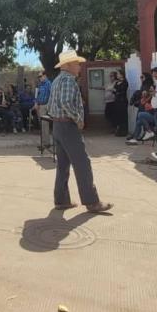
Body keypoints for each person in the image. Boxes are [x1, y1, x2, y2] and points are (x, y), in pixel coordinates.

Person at [47, 50, 112, 213]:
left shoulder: (56, 81)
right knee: (82, 164)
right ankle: (92, 202)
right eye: (76, 63)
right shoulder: (69, 80)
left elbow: (51, 105)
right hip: (68, 126)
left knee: (63, 165)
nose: (79, 66)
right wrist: (78, 119)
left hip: (57, 125)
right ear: (68, 65)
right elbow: (66, 103)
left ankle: (61, 200)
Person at [34, 71, 52, 151]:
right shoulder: (40, 85)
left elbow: (52, 94)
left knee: (45, 124)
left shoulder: (49, 84)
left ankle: (46, 143)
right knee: (42, 125)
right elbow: (37, 95)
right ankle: (44, 143)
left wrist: (49, 105)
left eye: (40, 76)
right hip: (40, 105)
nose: (39, 78)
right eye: (39, 77)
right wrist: (36, 103)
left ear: (45, 76)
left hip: (46, 105)